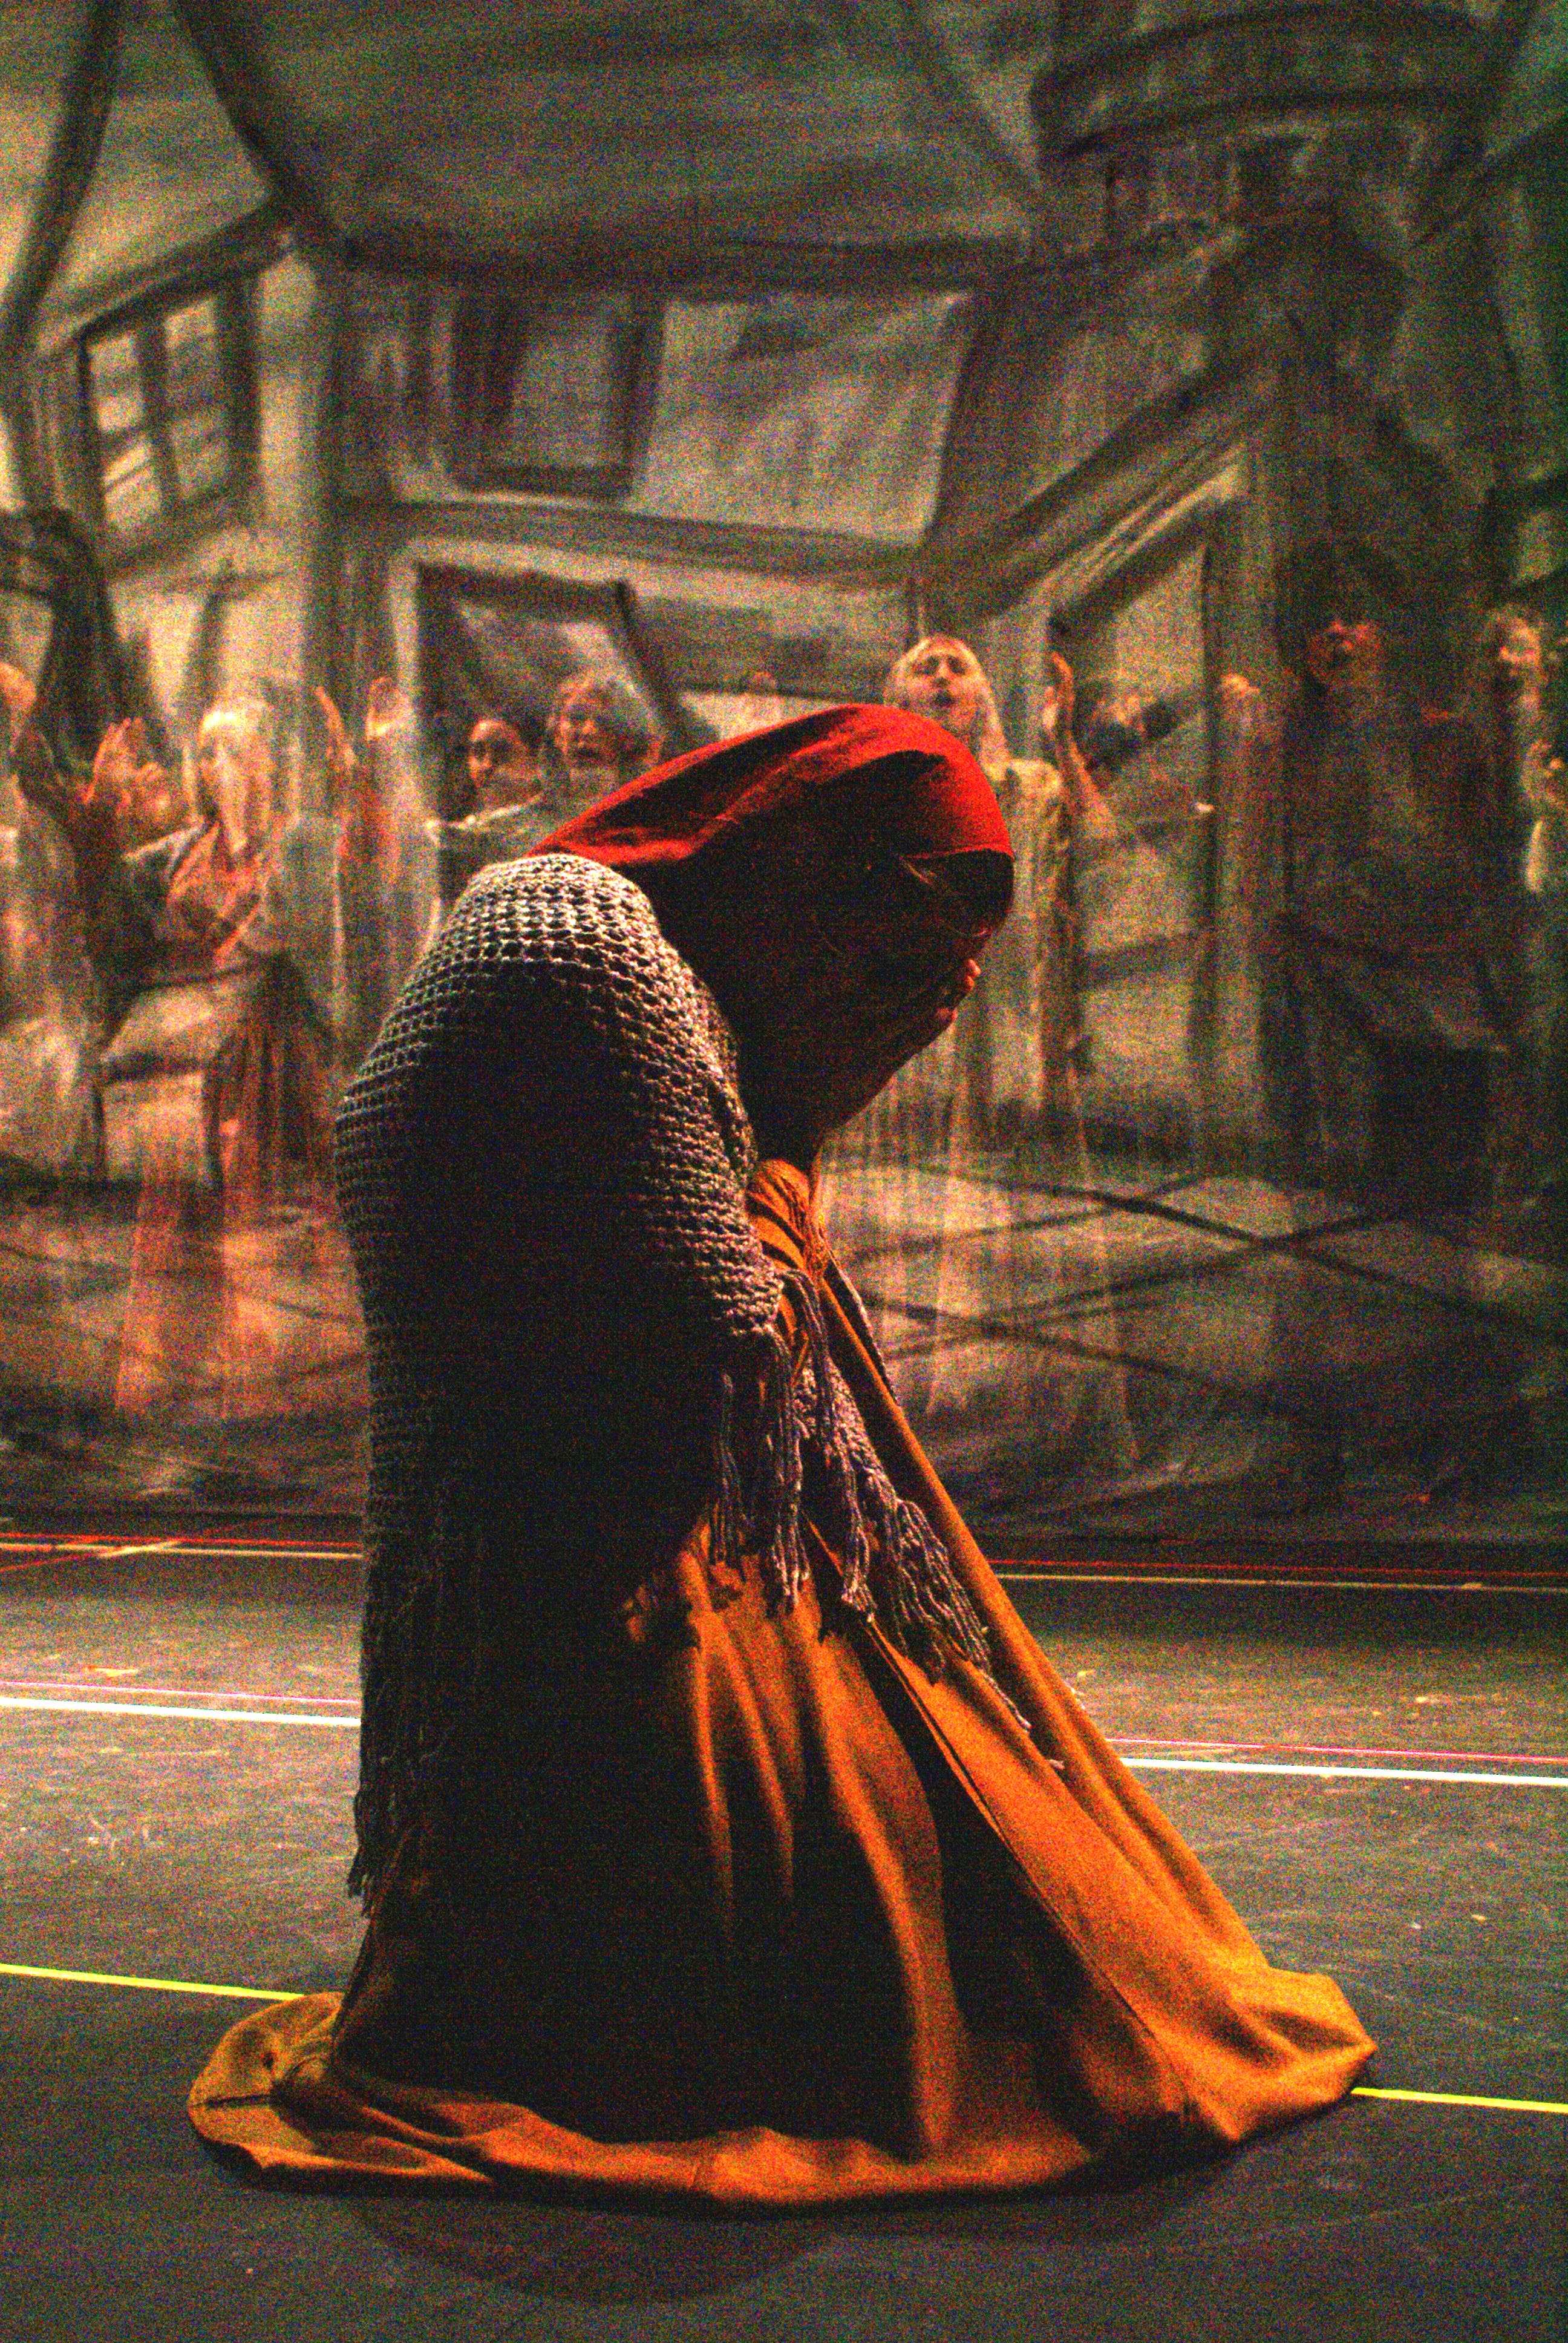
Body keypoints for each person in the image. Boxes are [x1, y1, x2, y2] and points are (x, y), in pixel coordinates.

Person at [189, 705, 1371, 2200]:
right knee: (934, 1871)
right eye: (901, 955)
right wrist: (800, 1136)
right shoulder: (590, 953)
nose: (930, 1001)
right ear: (813, 872)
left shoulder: (620, 945)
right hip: (600, 1555)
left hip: (565, 1514)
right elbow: (728, 1325)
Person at [542, 672, 664, 818]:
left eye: (604, 721)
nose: (589, 731)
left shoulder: (653, 806)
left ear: (628, 739)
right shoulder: (532, 820)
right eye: (577, 718)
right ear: (557, 733)